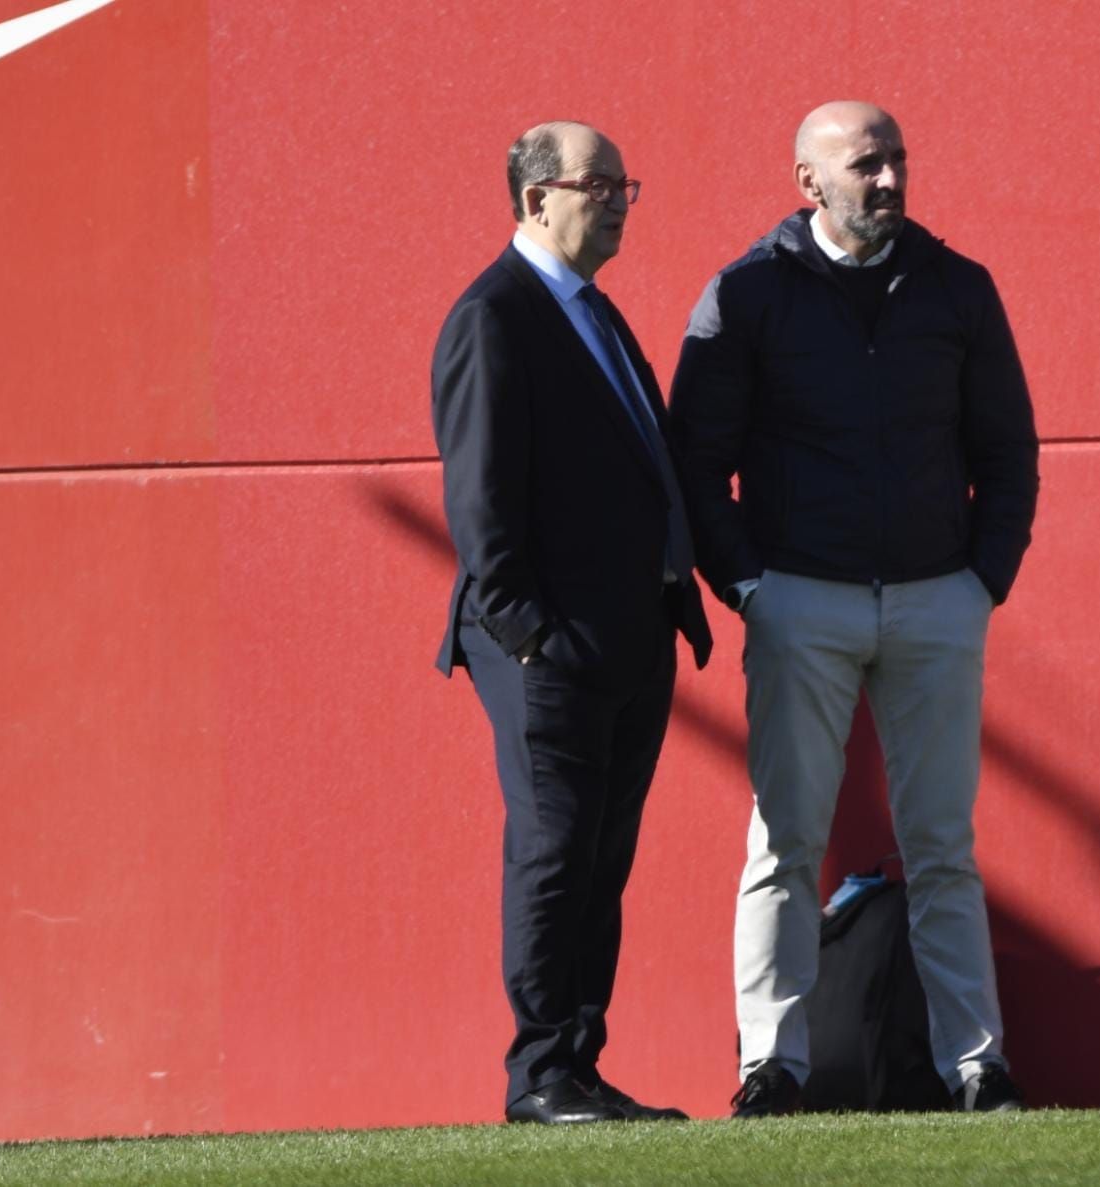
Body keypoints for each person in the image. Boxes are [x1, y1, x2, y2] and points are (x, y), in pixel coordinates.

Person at [670, 101, 1039, 1116]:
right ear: (807, 180)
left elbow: (1007, 450)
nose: (888, 180)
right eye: (865, 164)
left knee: (941, 844)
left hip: (934, 602)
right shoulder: (748, 295)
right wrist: (750, 585)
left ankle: (976, 1064)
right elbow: (697, 460)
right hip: (801, 599)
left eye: (897, 162)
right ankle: (772, 1067)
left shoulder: (956, 289)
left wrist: (981, 582)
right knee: (784, 840)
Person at [431, 120, 712, 1124]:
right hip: (551, 646)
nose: (619, 200)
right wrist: (525, 633)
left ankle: (579, 1065)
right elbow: (480, 500)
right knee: (555, 851)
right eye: (600, 183)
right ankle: (539, 1074)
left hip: (629, 636)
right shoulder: (495, 316)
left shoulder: (595, 313)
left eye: (627, 183)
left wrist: (678, 598)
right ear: (535, 197)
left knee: (602, 857)